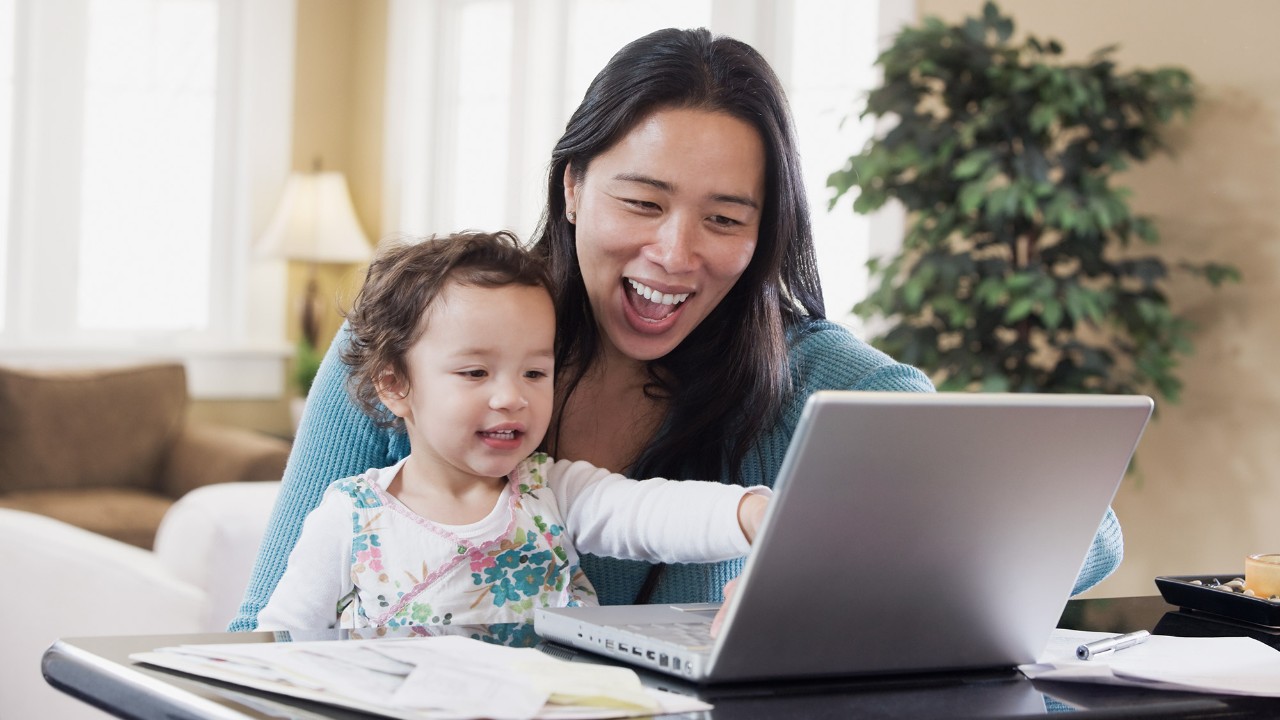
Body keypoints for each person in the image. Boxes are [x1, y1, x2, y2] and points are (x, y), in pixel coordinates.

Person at [232, 27, 1121, 631]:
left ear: (767, 233)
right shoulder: (413, 345)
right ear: (574, 187)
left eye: (727, 220)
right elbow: (257, 637)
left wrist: (837, 551)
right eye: (642, 201)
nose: (676, 252)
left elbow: (1088, 536)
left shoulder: (807, 377)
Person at [257, 231, 769, 631]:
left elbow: (649, 514)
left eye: (535, 373)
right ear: (394, 384)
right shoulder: (351, 517)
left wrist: (751, 512)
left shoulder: (551, 492)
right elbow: (279, 644)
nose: (511, 397)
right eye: (475, 373)